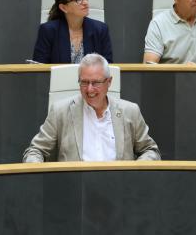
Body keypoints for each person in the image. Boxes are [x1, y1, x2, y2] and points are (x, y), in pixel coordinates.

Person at [23, 53, 160, 162]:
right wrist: (34, 165)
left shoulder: (130, 112)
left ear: (109, 82)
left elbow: (150, 150)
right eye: (84, 82)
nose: (89, 89)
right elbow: (35, 150)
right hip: (74, 190)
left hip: (119, 190)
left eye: (95, 83)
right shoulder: (60, 112)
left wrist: (135, 172)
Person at [32, 0, 112, 64]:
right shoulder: (48, 31)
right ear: (64, 8)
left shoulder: (100, 30)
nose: (85, 2)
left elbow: (108, 67)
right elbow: (39, 69)